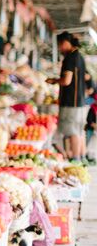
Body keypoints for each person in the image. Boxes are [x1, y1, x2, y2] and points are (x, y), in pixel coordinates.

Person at [47, 32, 88, 161]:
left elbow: (66, 81)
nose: (60, 48)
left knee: (72, 132)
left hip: (71, 102)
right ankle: (81, 157)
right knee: (79, 131)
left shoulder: (70, 58)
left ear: (65, 42)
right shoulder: (79, 56)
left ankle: (75, 159)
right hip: (80, 102)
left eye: (60, 45)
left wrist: (54, 80)